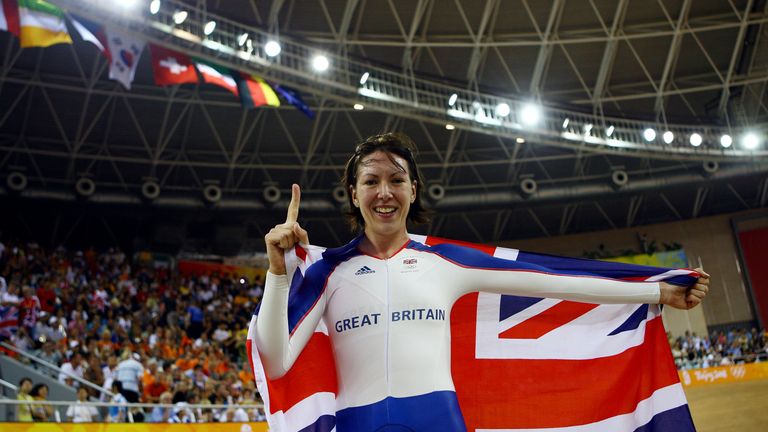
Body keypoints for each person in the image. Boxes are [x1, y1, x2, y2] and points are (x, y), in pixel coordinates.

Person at [254, 132, 711, 431]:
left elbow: (554, 280)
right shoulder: (326, 270)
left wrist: (657, 290)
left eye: (397, 179)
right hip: (358, 422)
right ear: (354, 193)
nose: (385, 192)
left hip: (439, 419)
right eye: (371, 181)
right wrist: (278, 273)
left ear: (414, 189)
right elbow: (276, 362)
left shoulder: (446, 262)